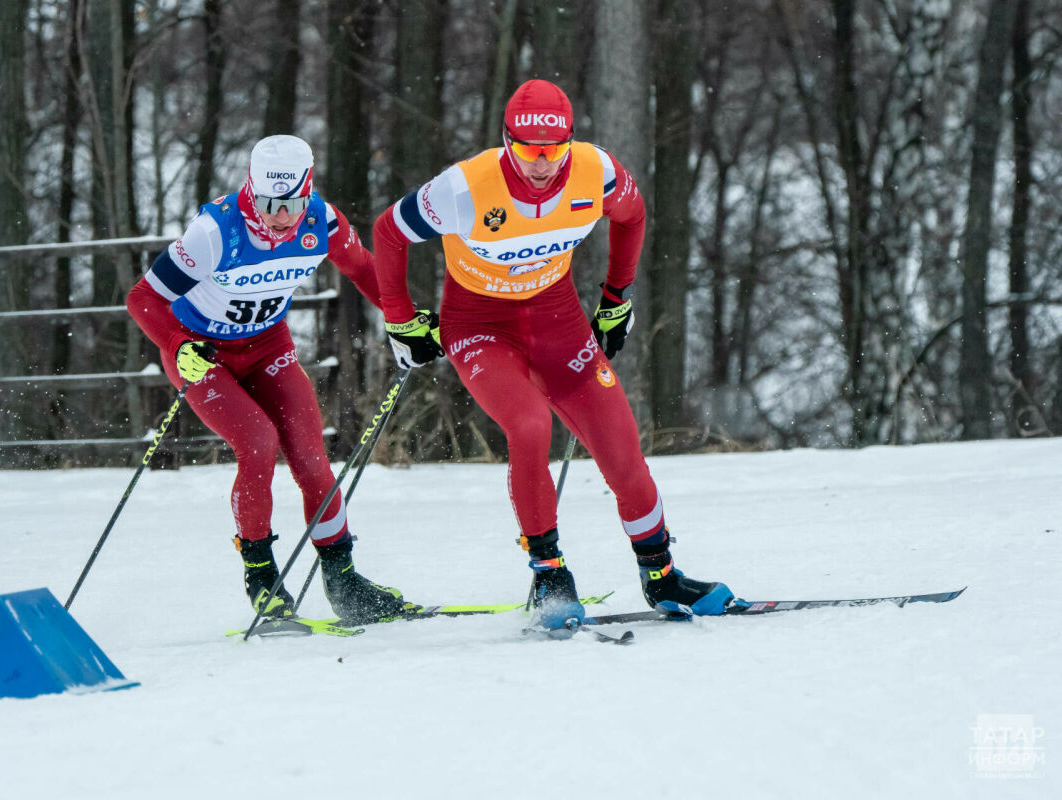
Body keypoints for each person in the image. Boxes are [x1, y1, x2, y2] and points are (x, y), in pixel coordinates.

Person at [372, 80, 734, 628]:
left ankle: (661, 575)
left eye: (553, 152)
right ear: (506, 142)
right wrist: (400, 317)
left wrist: (615, 300)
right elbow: (387, 232)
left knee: (622, 450)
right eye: (526, 152)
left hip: (557, 320)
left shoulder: (597, 171)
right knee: (529, 425)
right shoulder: (463, 188)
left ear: (569, 142)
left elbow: (633, 217)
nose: (541, 166)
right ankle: (549, 571)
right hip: (479, 326)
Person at [128, 134, 418, 624]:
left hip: (267, 346)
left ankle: (344, 580)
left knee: (310, 457)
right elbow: (143, 299)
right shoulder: (215, 231)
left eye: (290, 203)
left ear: (308, 191)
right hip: (203, 354)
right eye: (267, 203)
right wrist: (178, 346)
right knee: (258, 443)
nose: (279, 216)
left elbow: (365, 270)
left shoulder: (321, 222)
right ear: (250, 188)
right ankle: (262, 575)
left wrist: (404, 318)